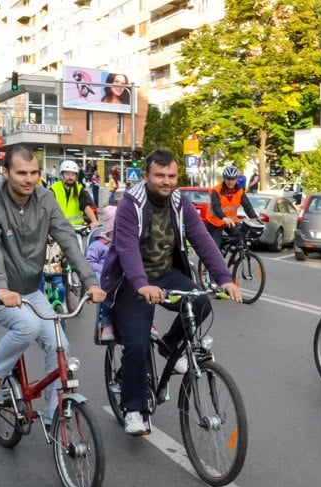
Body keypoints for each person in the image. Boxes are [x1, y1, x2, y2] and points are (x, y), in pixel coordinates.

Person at [99, 148, 244, 435]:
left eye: (171, 175)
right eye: (159, 175)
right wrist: (141, 284)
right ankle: (134, 409)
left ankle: (168, 347)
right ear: (147, 175)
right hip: (132, 279)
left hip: (164, 273)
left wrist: (225, 278)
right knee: (137, 343)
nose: (166, 181)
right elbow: (127, 246)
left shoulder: (180, 203)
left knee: (201, 304)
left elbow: (202, 240)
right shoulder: (132, 203)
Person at [0, 144, 106, 425]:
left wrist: (90, 282)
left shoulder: (45, 198)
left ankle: (53, 416)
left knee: (61, 346)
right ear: (5, 172)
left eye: (34, 172)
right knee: (27, 326)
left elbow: (68, 239)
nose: (29, 179)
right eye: (21, 173)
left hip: (31, 288)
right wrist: (0, 286)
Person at [205, 166, 257, 247]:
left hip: (231, 221)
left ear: (236, 179)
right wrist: (223, 218)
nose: (230, 182)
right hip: (215, 222)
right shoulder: (216, 190)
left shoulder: (239, 190)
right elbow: (216, 206)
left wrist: (255, 219)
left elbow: (247, 206)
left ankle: (234, 255)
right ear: (224, 178)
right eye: (228, 179)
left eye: (233, 179)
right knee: (215, 249)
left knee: (241, 238)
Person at [50, 160, 97, 228]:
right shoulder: (54, 189)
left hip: (77, 228)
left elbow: (86, 206)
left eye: (73, 174)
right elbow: (47, 210)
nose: (70, 177)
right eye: (67, 174)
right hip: (58, 228)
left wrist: (94, 221)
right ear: (61, 175)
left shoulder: (79, 189)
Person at [86, 205, 115, 280]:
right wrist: (104, 270)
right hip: (103, 278)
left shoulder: (122, 243)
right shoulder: (97, 245)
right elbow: (89, 262)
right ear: (110, 230)